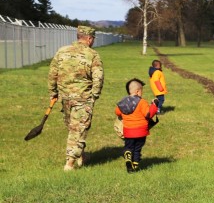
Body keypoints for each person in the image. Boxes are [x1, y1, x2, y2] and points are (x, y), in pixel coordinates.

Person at [47, 25, 104, 171]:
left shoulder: (62, 51)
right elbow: (98, 77)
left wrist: (53, 93)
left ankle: (81, 156)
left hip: (65, 98)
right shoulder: (92, 55)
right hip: (83, 98)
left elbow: (52, 73)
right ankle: (69, 164)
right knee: (77, 130)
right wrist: (95, 95)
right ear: (90, 39)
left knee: (74, 127)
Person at [114, 78, 159, 173]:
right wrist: (154, 105)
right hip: (141, 131)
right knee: (137, 149)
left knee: (129, 147)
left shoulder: (123, 102)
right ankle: (134, 166)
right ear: (137, 91)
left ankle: (127, 154)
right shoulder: (142, 102)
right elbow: (149, 114)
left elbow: (117, 112)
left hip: (128, 131)